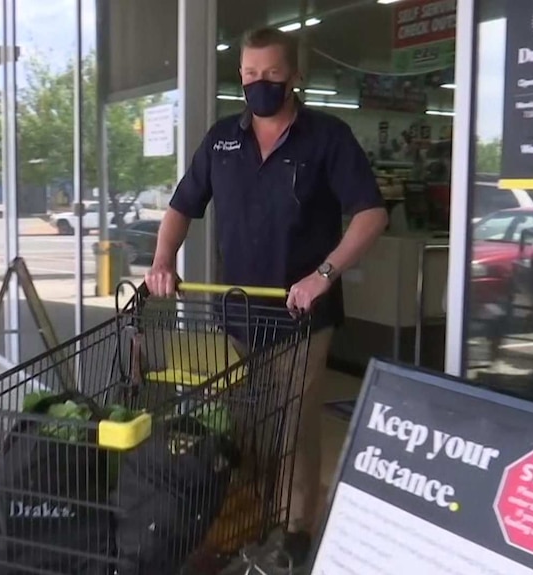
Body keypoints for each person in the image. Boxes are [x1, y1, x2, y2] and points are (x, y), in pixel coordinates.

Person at [145, 26, 388, 568]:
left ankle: (297, 530)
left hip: (302, 316)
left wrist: (324, 273)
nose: (261, 84)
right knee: (247, 423)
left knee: (294, 424)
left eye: (272, 74)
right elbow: (182, 206)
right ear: (241, 77)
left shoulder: (328, 138)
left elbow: (372, 214)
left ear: (294, 76)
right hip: (236, 312)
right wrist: (163, 261)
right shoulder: (221, 140)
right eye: (251, 74)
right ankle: (251, 517)